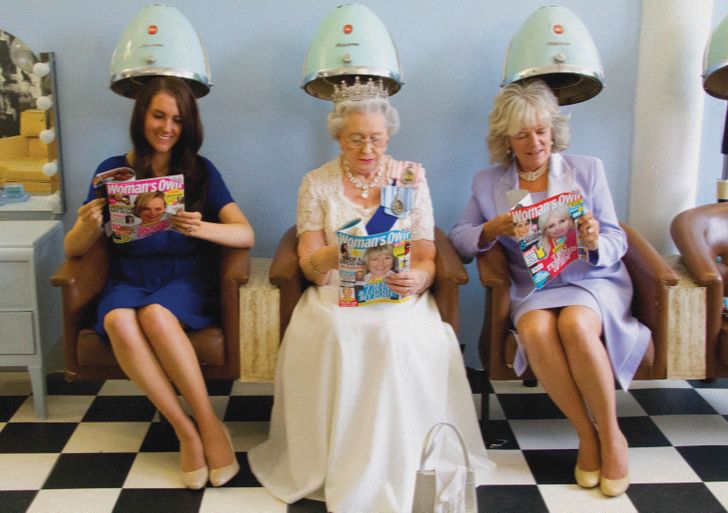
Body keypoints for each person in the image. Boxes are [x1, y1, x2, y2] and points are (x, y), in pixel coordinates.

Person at [248, 78, 493, 513]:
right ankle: (340, 462)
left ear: (389, 136)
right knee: (338, 331)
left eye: (376, 139)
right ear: (338, 137)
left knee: (392, 334)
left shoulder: (408, 178)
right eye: (356, 139)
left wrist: (419, 279)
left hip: (397, 295)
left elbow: (426, 255)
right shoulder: (316, 183)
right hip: (334, 293)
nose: (367, 149)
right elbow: (309, 267)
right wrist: (333, 255)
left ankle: (397, 462)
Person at [450, 80, 647, 497]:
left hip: (592, 280)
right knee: (536, 330)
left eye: (541, 131)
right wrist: (492, 227)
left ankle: (612, 435)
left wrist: (594, 240)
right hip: (534, 287)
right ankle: (586, 435)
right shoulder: (488, 182)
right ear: (506, 138)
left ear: (553, 130)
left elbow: (618, 238)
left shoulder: (587, 169)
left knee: (575, 324)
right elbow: (460, 240)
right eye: (522, 134)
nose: (534, 142)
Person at [64, 76, 254, 490]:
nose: (167, 127)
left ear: (188, 125)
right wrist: (86, 224)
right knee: (117, 320)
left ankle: (210, 425)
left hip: (185, 277)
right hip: (129, 276)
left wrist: (201, 228)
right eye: (159, 116)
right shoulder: (113, 170)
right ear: (141, 117)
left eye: (177, 119)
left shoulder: (201, 171)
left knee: (155, 316)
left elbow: (245, 234)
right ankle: (186, 432)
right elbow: (74, 247)